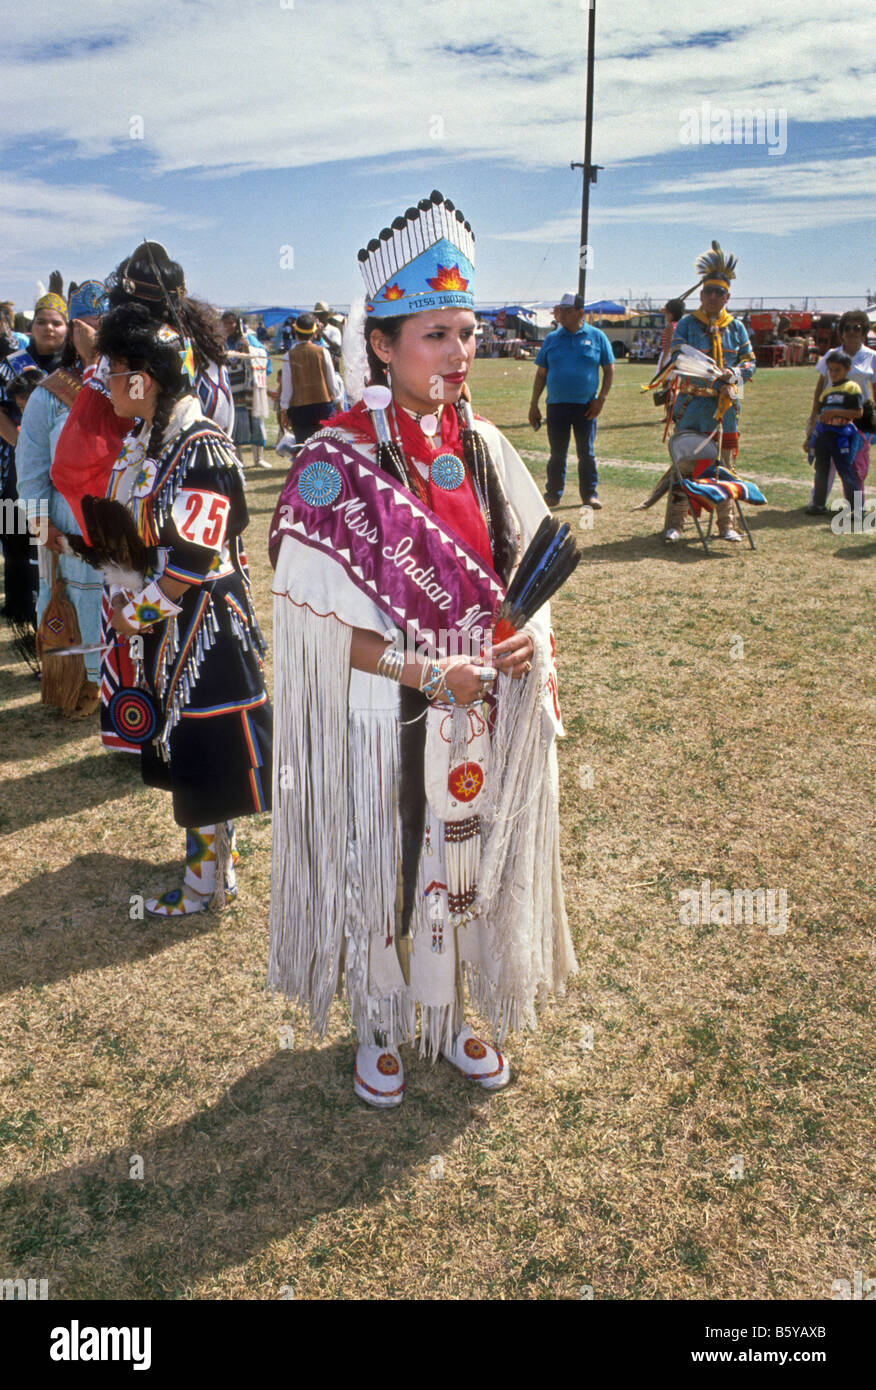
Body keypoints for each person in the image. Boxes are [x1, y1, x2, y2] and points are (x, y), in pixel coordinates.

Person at [268, 189, 576, 1107]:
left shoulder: (483, 446)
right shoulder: (335, 461)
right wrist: (418, 670)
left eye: (467, 333)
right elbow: (311, 628)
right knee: (390, 858)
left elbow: (529, 582)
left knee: (468, 860)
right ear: (382, 343)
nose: (458, 354)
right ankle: (381, 1017)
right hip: (387, 706)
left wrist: (525, 642)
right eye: (435, 335)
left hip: (480, 701)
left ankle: (450, 1015)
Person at [93, 303, 272, 915]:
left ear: (144, 377)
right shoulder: (148, 440)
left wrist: (134, 616)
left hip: (205, 629)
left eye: (114, 370)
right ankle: (215, 865)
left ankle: (205, 886)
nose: (106, 382)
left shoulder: (202, 450)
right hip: (173, 625)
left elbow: (190, 564)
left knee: (207, 748)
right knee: (194, 745)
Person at [16, 281, 107, 717]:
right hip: (65, 526)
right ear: (74, 332)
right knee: (73, 601)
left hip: (121, 521)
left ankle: (121, 683)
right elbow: (30, 469)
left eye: (103, 325)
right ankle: (82, 682)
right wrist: (39, 525)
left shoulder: (132, 385)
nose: (94, 333)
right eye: (85, 325)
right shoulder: (51, 394)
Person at [663, 242, 756, 544]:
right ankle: (675, 523)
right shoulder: (688, 325)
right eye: (708, 291)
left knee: (724, 466)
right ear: (700, 295)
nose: (714, 297)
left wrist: (736, 374)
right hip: (693, 407)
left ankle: (726, 524)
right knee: (686, 464)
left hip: (726, 411)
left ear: (728, 296)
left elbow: (750, 361)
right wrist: (711, 381)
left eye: (720, 292)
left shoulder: (737, 328)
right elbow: (679, 359)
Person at [0, 288, 67, 665]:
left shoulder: (71, 366)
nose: (48, 328)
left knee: (48, 540)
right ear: (32, 325)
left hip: (61, 469)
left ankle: (52, 620)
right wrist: (24, 444)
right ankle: (20, 613)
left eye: (56, 323)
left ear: (65, 328)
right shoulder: (10, 363)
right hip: (16, 467)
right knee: (13, 539)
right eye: (42, 321)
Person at [528, 292, 614, 510]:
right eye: (560, 311)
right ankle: (553, 494)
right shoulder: (552, 339)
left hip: (586, 406)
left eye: (567, 311)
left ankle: (589, 495)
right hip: (556, 405)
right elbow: (541, 374)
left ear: (580, 312)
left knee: (586, 453)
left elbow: (609, 369)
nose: (562, 316)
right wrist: (534, 404)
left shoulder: (597, 337)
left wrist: (601, 399)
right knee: (557, 453)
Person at [804, 310, 875, 511]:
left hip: (858, 417)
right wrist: (814, 415)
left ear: (864, 332)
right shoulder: (831, 355)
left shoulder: (871, 357)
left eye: (857, 328)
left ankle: (856, 507)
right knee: (825, 462)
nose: (852, 332)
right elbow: (821, 385)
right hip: (829, 415)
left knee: (856, 464)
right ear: (841, 331)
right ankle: (817, 503)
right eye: (847, 328)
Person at [804, 350, 864, 514]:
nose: (833, 373)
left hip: (842, 435)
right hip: (824, 435)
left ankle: (856, 508)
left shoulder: (851, 388)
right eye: (830, 369)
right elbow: (819, 415)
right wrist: (810, 438)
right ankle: (818, 504)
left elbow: (858, 413)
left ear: (847, 369)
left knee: (845, 470)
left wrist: (836, 413)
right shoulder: (827, 392)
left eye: (837, 369)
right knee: (821, 470)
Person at [278, 312, 343, 444]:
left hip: (300, 411)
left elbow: (287, 388)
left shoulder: (289, 356)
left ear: (296, 332)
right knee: (326, 449)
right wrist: (338, 403)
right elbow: (331, 381)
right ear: (314, 333)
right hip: (324, 408)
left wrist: (284, 410)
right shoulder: (323, 352)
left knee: (305, 451)